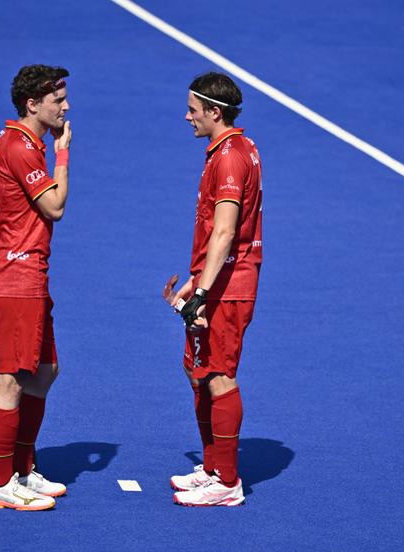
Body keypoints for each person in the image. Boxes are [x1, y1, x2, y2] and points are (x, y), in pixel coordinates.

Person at [163, 72, 263, 507]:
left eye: (193, 110)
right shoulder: (234, 149)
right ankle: (211, 467)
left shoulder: (230, 159)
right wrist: (196, 280)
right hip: (216, 280)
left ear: (214, 112)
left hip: (227, 287)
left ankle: (226, 481)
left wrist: (202, 293)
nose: (187, 117)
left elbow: (224, 231)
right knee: (198, 371)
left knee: (219, 376)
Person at [0, 64, 73, 511]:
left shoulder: (20, 140)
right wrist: (63, 155)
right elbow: (54, 206)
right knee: (11, 379)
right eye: (58, 100)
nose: (66, 107)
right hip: (15, 275)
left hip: (26, 273)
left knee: (45, 369)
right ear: (32, 104)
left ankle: (21, 468)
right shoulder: (20, 147)